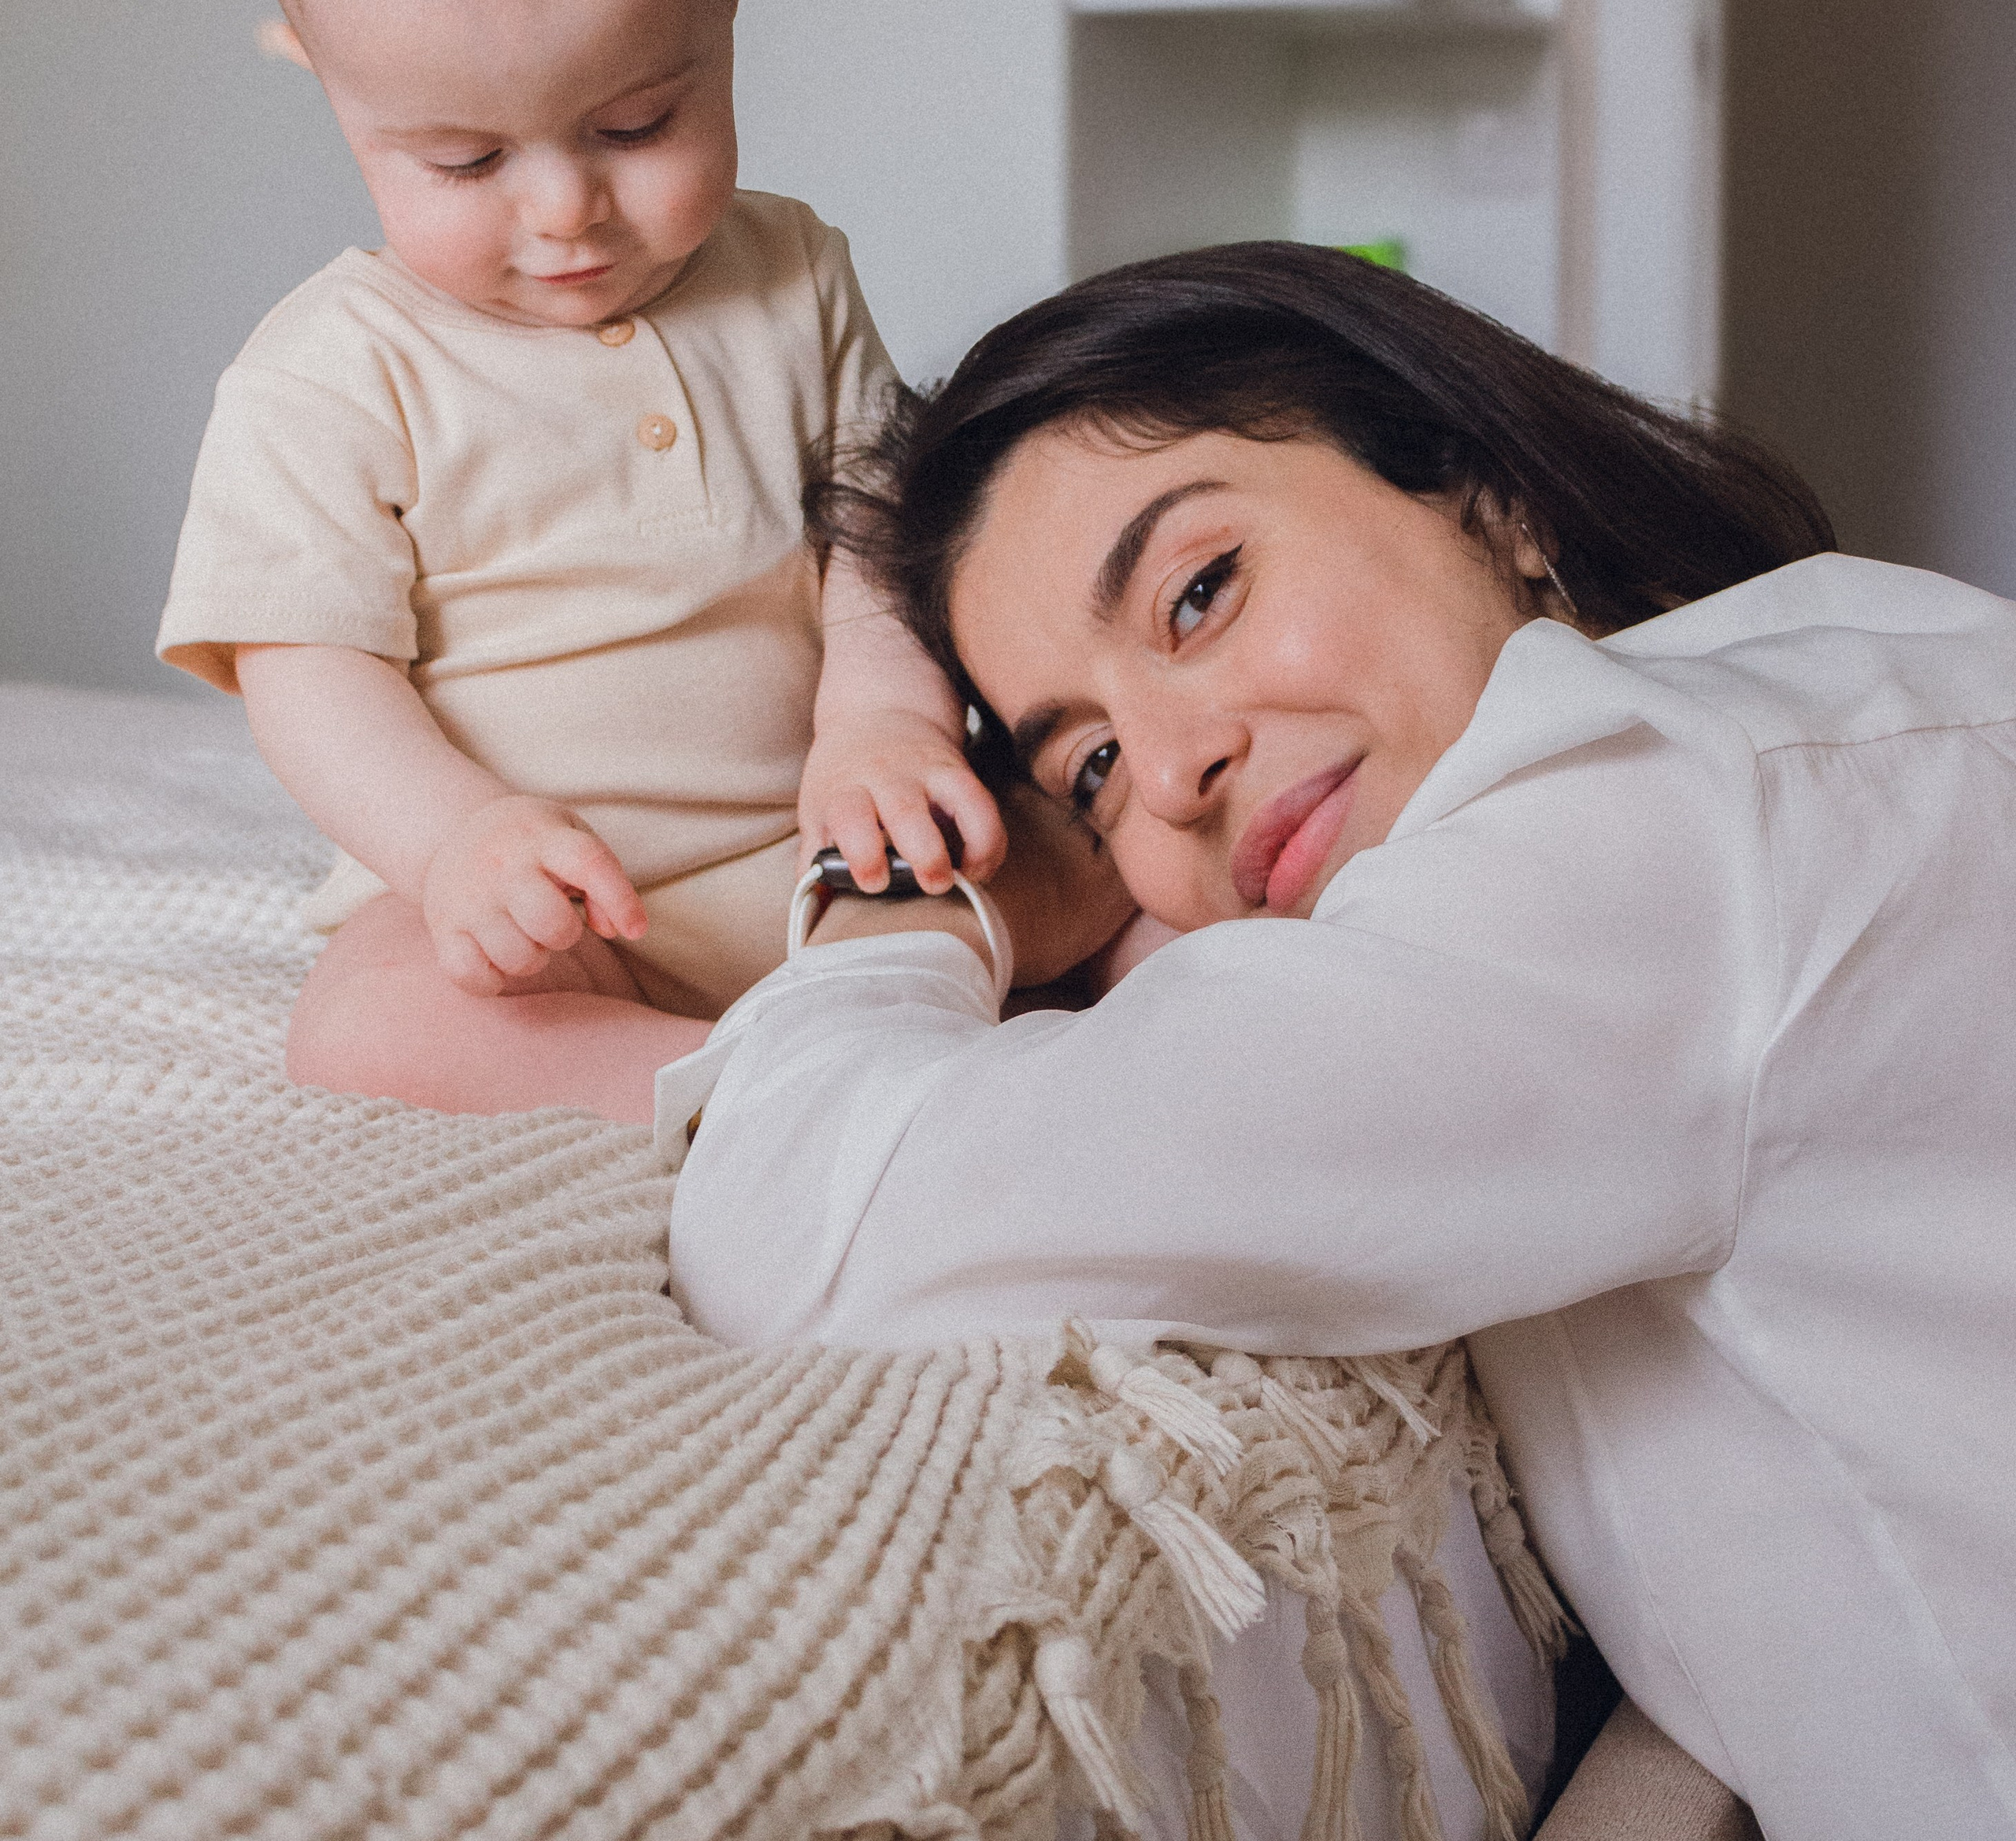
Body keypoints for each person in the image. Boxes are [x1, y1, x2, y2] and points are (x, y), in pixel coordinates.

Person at [660, 243, 2016, 1841]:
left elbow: (811, 1222)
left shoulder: (1615, 856)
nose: (1171, 770)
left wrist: (917, 890)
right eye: (1089, 770)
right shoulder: (1857, 653)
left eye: (1200, 592)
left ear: (1485, 492)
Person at [157, 0, 1121, 1122]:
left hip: (835, 858)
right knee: (367, 1016)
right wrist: (452, 841)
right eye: (466, 160)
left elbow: (877, 535)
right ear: (326, 82)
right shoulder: (332, 373)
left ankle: (988, 1014)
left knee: (1086, 846)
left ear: (729, 0)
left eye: (635, 124)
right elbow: (309, 670)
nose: (564, 210)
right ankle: (718, 1088)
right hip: (557, 916)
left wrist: (881, 722)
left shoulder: (792, 272)